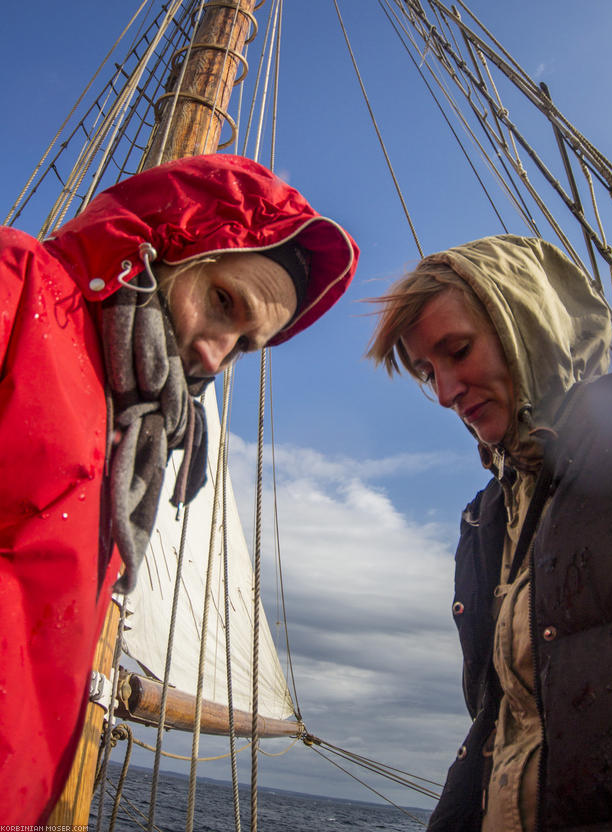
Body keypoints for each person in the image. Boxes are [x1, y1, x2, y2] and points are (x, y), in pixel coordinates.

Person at [0, 152, 359, 823]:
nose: (214, 356)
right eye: (223, 302)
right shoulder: (16, 287)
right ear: (164, 242)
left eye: (244, 346)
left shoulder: (129, 432)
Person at [367, 235, 612, 832]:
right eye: (430, 372)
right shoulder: (488, 521)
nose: (448, 392)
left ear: (525, 324)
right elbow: (503, 722)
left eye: (458, 350)